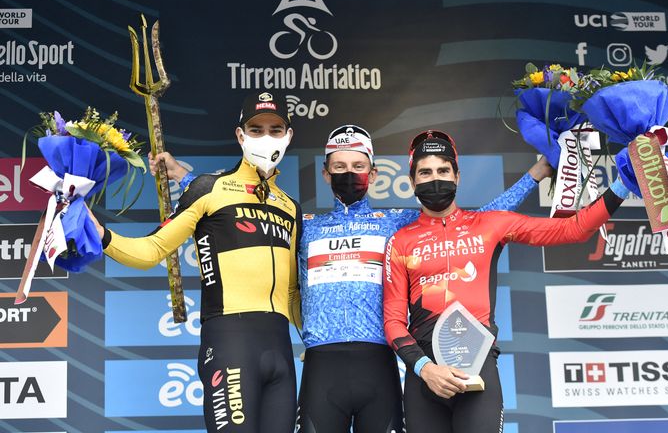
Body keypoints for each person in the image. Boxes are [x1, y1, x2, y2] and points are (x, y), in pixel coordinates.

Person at [154, 125, 552, 433]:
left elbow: (481, 221)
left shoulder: (398, 222)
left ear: (374, 173)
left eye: (358, 166)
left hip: (379, 363)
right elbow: (239, 201)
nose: (349, 173)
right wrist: (183, 177)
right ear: (325, 174)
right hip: (321, 366)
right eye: (340, 167)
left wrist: (535, 173)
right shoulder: (303, 224)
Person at [383, 130, 630, 433]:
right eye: (425, 172)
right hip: (424, 375)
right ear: (412, 182)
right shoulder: (400, 241)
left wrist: (622, 185)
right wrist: (425, 369)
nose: (435, 179)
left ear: (457, 176)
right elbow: (393, 321)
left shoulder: (489, 224)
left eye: (443, 170)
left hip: (479, 367)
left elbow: (574, 229)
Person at [91, 91, 302, 433]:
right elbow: (152, 250)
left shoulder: (289, 207)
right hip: (231, 342)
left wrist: (315, 340)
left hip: (280, 348)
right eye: (256, 128)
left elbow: (292, 292)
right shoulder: (208, 190)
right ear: (240, 135)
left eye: (276, 129)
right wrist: (102, 235)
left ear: (288, 135)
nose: (266, 137)